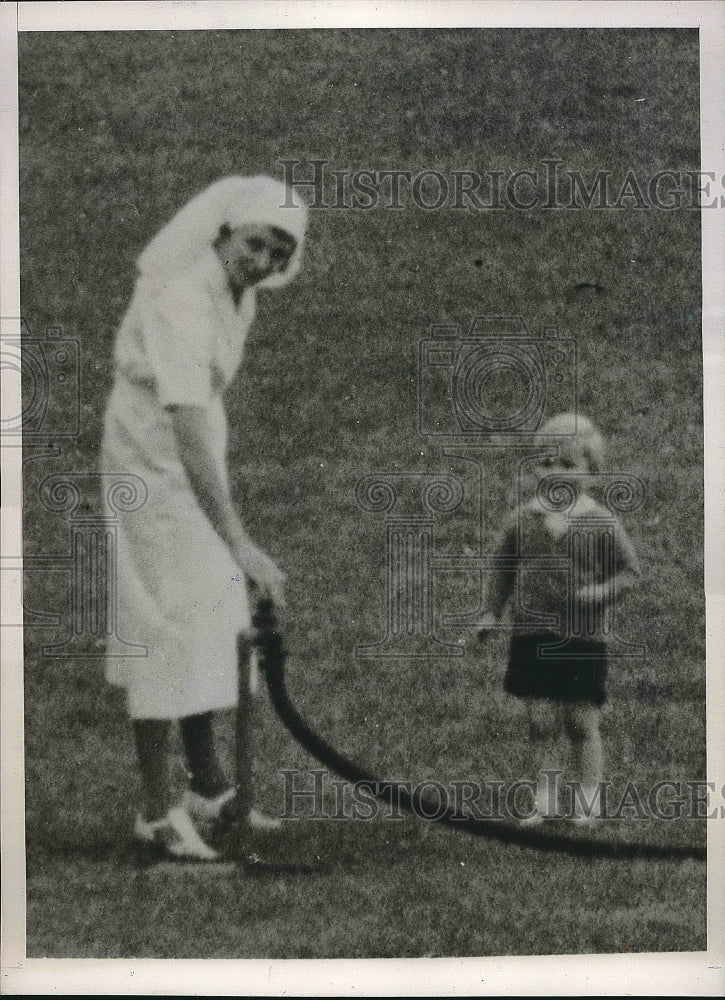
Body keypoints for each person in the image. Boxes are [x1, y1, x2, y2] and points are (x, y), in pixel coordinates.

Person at [102, 175, 308, 860]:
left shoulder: (236, 292)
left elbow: (202, 418)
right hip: (151, 451)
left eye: (278, 252)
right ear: (223, 233)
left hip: (192, 437)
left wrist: (230, 547)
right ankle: (157, 811)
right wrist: (240, 541)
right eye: (254, 243)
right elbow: (184, 428)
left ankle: (209, 786)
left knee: (213, 614)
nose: (262, 261)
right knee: (166, 618)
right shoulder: (180, 297)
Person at [477, 413, 641, 825]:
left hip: (581, 637)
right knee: (540, 721)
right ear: (533, 468)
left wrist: (599, 592)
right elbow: (502, 569)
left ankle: (588, 803)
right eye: (546, 464)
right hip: (531, 635)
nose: (556, 474)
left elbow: (629, 571)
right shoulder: (521, 520)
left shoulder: (601, 522)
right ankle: (545, 801)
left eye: (568, 465)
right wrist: (491, 612)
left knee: (580, 721)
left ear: (591, 472)